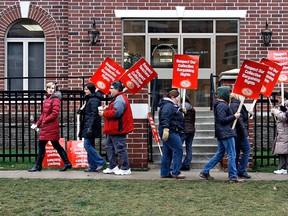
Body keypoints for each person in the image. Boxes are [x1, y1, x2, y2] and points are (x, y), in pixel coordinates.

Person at [199, 86, 243, 182]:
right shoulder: (222, 105)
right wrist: (234, 116)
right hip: (226, 133)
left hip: (222, 133)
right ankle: (233, 176)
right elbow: (222, 120)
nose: (230, 95)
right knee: (232, 154)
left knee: (220, 154)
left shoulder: (220, 104)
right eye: (228, 93)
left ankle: (205, 171)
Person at [28, 82, 72, 172]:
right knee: (55, 145)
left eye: (52, 88)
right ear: (46, 89)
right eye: (49, 88)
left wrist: (44, 121)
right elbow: (43, 114)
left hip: (51, 127)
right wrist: (37, 124)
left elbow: (55, 114)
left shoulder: (55, 99)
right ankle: (67, 163)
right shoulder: (47, 99)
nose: (51, 89)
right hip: (47, 127)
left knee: (43, 146)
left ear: (55, 89)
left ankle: (38, 165)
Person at [99, 81, 134, 175]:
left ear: (117, 89)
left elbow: (116, 113)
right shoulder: (118, 98)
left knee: (120, 148)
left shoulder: (119, 99)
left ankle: (125, 168)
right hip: (114, 128)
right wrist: (108, 108)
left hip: (118, 128)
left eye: (111, 88)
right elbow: (115, 110)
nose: (109, 90)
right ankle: (113, 166)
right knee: (109, 146)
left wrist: (104, 113)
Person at [78, 82, 106, 172]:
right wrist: (82, 111)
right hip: (88, 124)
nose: (84, 91)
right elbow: (89, 112)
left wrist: (90, 127)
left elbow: (94, 115)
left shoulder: (94, 100)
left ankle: (100, 161)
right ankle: (92, 165)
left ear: (90, 90)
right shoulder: (90, 99)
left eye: (86, 89)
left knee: (87, 145)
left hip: (90, 125)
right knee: (91, 145)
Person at [158, 88, 185, 179]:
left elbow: (170, 116)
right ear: (173, 97)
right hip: (171, 131)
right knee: (178, 150)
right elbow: (165, 117)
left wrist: (180, 111)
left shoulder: (168, 105)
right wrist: (166, 128)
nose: (179, 99)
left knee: (167, 152)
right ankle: (176, 172)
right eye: (178, 97)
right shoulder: (169, 106)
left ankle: (165, 172)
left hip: (169, 131)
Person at [229, 93, 251, 179]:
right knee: (246, 150)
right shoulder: (236, 105)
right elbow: (240, 122)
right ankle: (241, 171)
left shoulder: (236, 104)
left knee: (237, 152)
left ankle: (236, 171)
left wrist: (249, 114)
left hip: (237, 133)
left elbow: (242, 117)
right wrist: (245, 134)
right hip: (239, 133)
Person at [271, 91, 288, 175]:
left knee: (283, 150)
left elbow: (285, 117)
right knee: (282, 150)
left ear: (284, 98)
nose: (277, 99)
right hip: (282, 131)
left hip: (285, 131)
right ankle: (282, 168)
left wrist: (276, 112)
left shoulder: (286, 105)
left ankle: (282, 168)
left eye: (279, 97)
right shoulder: (281, 106)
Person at [180, 95, 196, 171]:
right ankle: (187, 164)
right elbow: (193, 120)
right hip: (191, 130)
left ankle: (178, 165)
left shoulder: (181, 108)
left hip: (184, 130)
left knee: (178, 147)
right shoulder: (192, 109)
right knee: (189, 147)